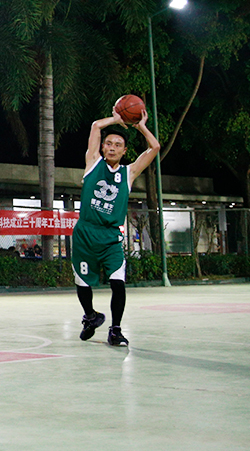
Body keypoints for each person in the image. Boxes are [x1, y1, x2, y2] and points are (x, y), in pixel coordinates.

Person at [72, 106, 160, 347]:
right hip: (85, 233)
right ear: (102, 147)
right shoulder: (93, 163)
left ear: (124, 151)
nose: (112, 147)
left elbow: (154, 148)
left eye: (117, 145)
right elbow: (95, 126)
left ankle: (116, 330)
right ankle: (90, 316)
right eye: (108, 143)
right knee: (82, 282)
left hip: (110, 237)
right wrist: (116, 119)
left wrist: (141, 127)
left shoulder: (128, 173)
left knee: (118, 281)